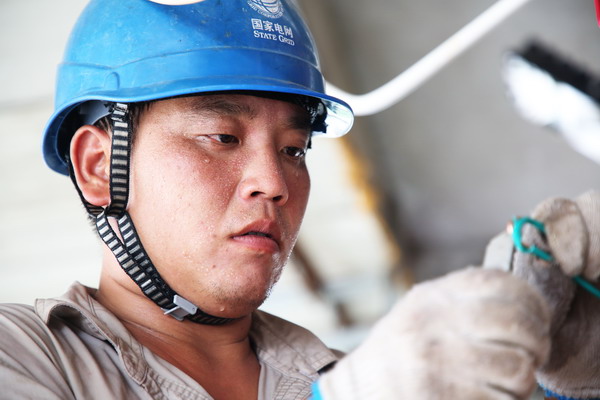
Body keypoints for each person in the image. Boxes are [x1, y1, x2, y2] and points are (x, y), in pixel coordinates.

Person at [0, 0, 597, 399]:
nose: (275, 181)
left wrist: (565, 384)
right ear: (100, 166)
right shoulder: (26, 358)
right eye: (222, 137)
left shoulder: (360, 373)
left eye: (294, 149)